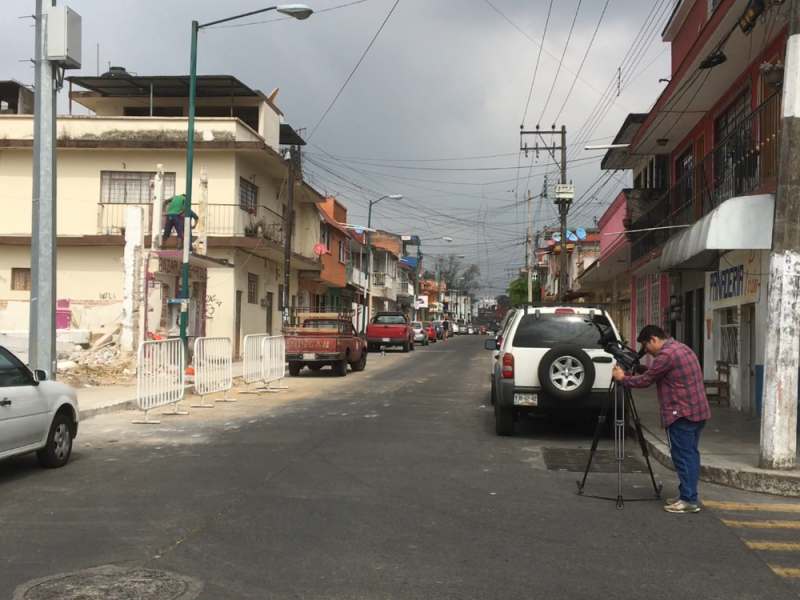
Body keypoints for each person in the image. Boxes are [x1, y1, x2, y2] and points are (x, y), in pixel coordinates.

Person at [612, 324, 711, 514]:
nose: (647, 352)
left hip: (681, 413)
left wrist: (622, 378)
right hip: (696, 411)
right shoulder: (680, 348)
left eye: (646, 347)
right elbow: (657, 372)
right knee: (690, 454)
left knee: (683, 456)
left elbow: (646, 381)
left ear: (653, 339)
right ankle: (686, 494)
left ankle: (689, 500)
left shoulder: (666, 355)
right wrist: (638, 366)